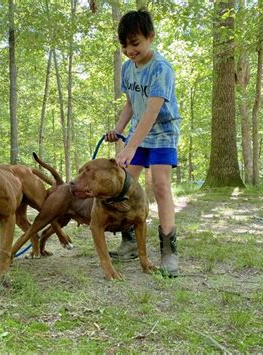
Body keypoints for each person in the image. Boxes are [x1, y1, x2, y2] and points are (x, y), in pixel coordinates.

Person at [105, 9, 180, 278]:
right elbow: (131, 104)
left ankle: (169, 252)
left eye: (135, 43)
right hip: (137, 133)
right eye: (124, 45)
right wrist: (118, 129)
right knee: (124, 188)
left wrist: (131, 146)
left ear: (151, 37)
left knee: (160, 186)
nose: (129, 50)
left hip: (162, 134)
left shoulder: (161, 69)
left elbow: (151, 110)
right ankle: (129, 242)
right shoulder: (127, 69)